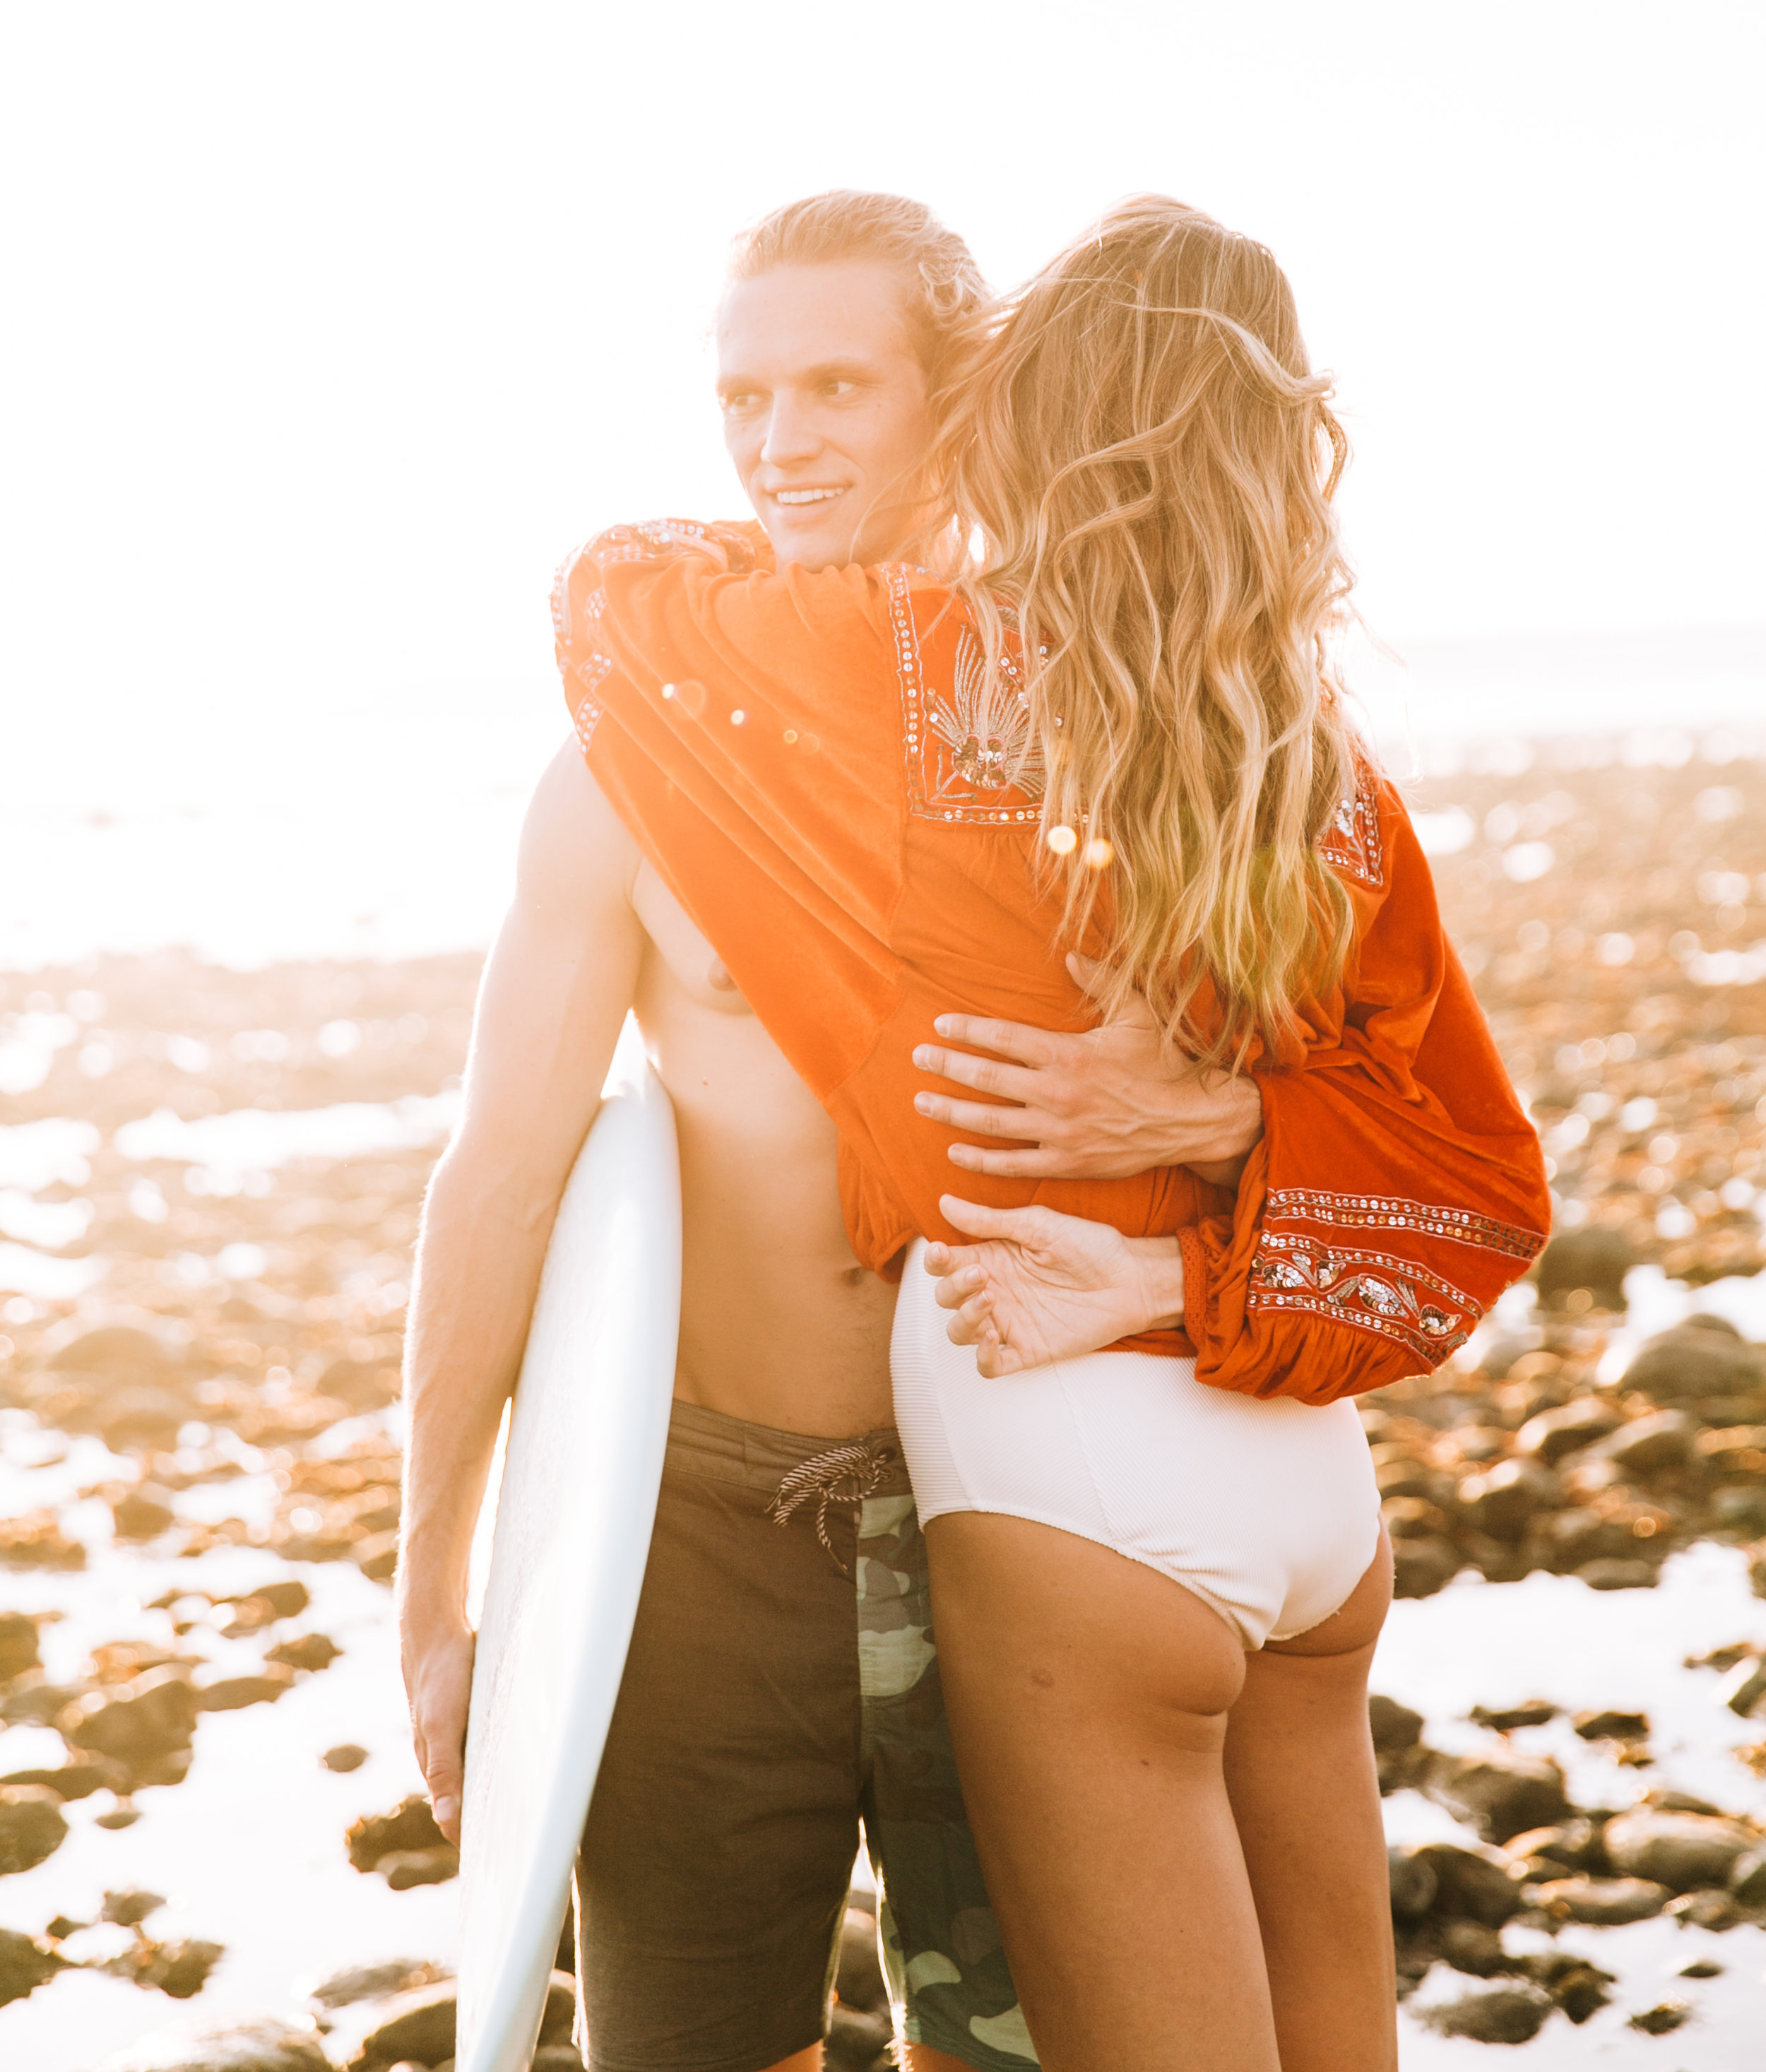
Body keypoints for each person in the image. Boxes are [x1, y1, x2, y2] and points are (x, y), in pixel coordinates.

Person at [556, 196, 1551, 2071]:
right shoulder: (1318, 777)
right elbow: (1482, 1195)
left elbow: (614, 610)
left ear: (1005, 416)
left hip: (1075, 1497)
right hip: (1311, 1504)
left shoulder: (897, 687)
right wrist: (1214, 1178)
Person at [400, 192, 1278, 2072]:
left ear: (957, 397)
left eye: (831, 386)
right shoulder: (641, 763)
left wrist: (1216, 1111)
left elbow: (1356, 1104)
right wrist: (438, 1583)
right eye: (740, 395)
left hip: (1025, 1514)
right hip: (697, 1531)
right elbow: (500, 1176)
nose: (777, 441)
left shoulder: (1118, 740)